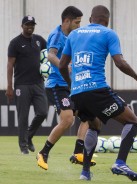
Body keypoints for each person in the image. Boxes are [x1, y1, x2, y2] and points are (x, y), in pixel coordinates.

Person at [59, 5, 137, 181]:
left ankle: (85, 173)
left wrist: (73, 85)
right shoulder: (108, 33)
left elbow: (61, 65)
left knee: (94, 125)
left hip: (77, 92)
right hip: (97, 89)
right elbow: (119, 63)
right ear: (107, 21)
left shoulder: (74, 35)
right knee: (132, 121)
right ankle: (120, 162)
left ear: (90, 19)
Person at [36, 6, 95, 170]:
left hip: (72, 84)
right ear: (67, 21)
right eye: (77, 22)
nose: (79, 25)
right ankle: (43, 152)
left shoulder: (74, 36)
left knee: (88, 115)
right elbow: (51, 55)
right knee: (68, 119)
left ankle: (78, 153)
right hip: (57, 85)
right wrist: (65, 66)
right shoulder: (57, 35)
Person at [6, 15, 48, 155]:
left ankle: (28, 136)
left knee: (43, 112)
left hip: (38, 84)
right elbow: (10, 64)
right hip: (22, 85)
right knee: (23, 116)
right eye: (27, 24)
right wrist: (10, 86)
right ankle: (23, 146)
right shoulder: (15, 43)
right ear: (22, 26)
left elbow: (49, 54)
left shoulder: (39, 40)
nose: (30, 27)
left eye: (32, 24)